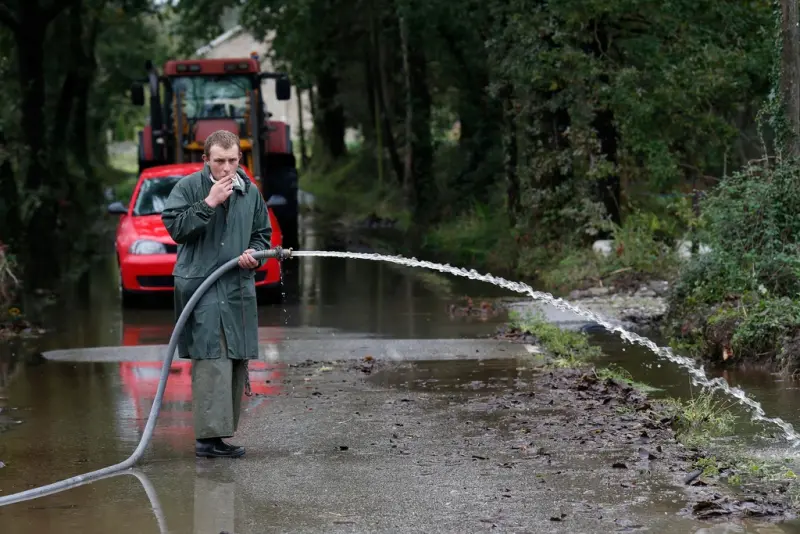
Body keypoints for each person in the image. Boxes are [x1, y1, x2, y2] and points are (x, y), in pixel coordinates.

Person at [161, 129, 272, 459]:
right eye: (220, 161)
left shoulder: (250, 192)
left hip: (236, 285)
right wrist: (209, 203)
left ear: (240, 159)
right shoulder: (189, 188)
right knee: (212, 355)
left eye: (233, 161)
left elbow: (262, 235)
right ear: (206, 160)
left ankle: (219, 434)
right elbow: (175, 228)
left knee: (236, 357)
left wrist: (255, 253)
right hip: (200, 284)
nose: (227, 168)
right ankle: (207, 441)